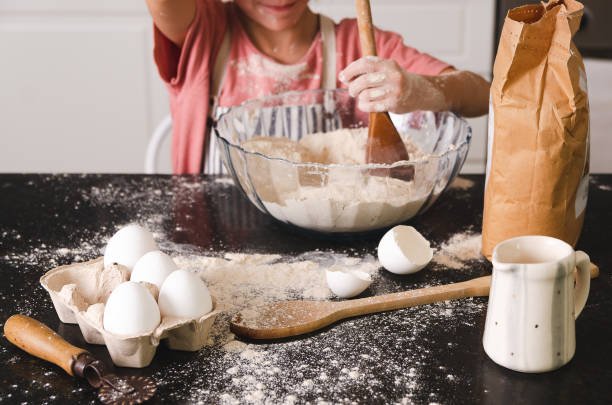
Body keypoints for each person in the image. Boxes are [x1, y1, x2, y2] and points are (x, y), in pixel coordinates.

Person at [146, 0, 490, 174]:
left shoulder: (359, 44)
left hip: (329, 253)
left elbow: (482, 93)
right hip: (214, 245)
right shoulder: (204, 32)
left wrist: (418, 90)